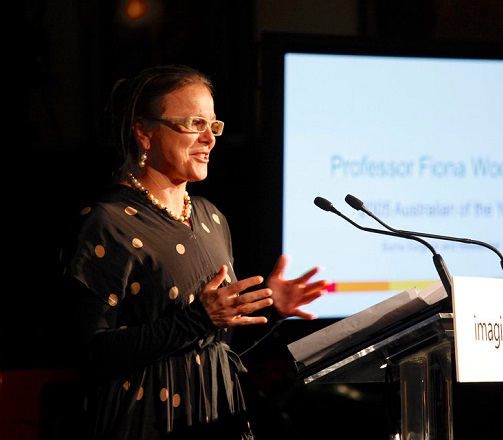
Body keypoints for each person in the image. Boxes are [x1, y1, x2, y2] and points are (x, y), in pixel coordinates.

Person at [59, 64, 331, 440]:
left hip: (216, 415)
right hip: (145, 421)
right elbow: (91, 352)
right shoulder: (109, 222)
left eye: (213, 126)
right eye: (194, 124)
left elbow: (214, 345)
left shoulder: (210, 217)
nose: (209, 139)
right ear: (144, 131)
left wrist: (267, 305)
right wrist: (197, 319)